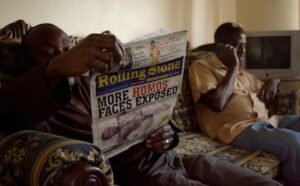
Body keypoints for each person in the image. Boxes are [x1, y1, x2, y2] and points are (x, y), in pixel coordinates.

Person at [1, 21, 281, 186]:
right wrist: (57, 67)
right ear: (26, 61)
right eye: (48, 52)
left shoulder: (92, 83)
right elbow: (10, 107)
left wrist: (168, 135)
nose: (61, 55)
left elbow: (153, 118)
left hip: (178, 158)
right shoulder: (30, 96)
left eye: (66, 47)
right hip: (148, 175)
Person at [188, 22, 299, 186]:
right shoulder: (202, 67)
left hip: (267, 122)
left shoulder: (243, 74)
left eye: (245, 46)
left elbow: (268, 89)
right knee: (295, 142)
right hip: (238, 128)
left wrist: (275, 81)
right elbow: (217, 103)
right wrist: (232, 67)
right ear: (221, 47)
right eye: (238, 46)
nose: (244, 51)